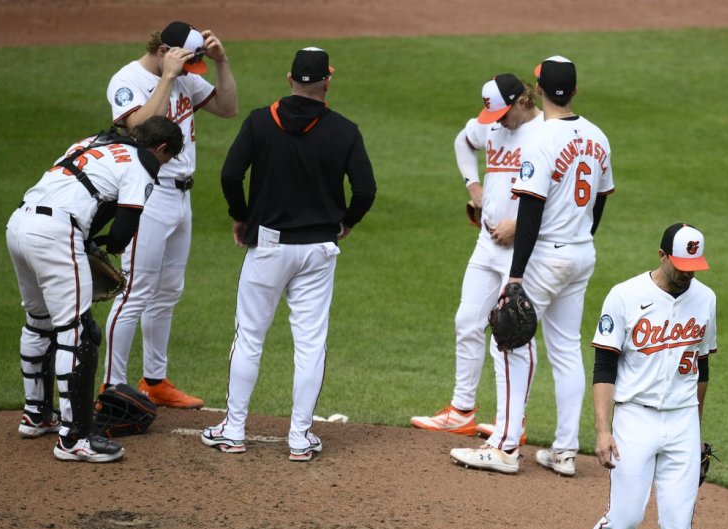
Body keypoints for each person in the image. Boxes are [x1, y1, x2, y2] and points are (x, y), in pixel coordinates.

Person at [203, 46, 376, 461]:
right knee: (310, 343)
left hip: (268, 246)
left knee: (249, 337)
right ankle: (300, 437)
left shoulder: (260, 121)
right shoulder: (344, 130)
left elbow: (230, 175)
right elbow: (366, 190)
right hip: (318, 249)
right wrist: (347, 221)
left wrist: (241, 217)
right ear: (327, 81)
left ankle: (234, 429)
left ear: (289, 78)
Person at [451, 56, 613, 476]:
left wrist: (516, 276)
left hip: (545, 255)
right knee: (566, 349)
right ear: (574, 90)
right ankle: (565, 451)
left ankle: (504, 447)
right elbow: (600, 202)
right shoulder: (598, 137)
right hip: (581, 253)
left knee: (506, 338)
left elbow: (531, 210)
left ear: (538, 89)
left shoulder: (540, 140)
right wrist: (580, 238)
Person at [573, 223, 717, 529]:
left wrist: (696, 431)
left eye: (694, 266)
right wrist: (602, 430)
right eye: (681, 264)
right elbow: (604, 367)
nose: (687, 273)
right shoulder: (624, 296)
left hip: (682, 422)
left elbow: (702, 368)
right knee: (624, 520)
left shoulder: (706, 299)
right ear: (662, 255)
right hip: (634, 418)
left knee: (678, 525)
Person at [6, 117, 185, 462]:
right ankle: (75, 439)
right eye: (167, 159)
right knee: (79, 333)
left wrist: (87, 241)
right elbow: (122, 233)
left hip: (18, 224)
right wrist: (101, 246)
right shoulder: (141, 164)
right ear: (162, 149)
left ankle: (36, 414)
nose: (163, 165)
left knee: (39, 322)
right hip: (55, 233)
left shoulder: (95, 142)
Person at [102, 20, 238, 408]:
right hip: (147, 194)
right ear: (164, 52)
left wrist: (222, 62)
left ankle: (155, 381)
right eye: (185, 63)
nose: (190, 72)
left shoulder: (184, 78)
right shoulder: (127, 80)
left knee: (168, 292)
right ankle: (110, 387)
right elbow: (141, 127)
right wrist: (168, 78)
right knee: (134, 291)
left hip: (181, 197)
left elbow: (228, 108)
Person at [410, 73, 541, 443]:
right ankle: (461, 411)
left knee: (513, 331)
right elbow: (463, 141)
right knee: (467, 322)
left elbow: (560, 194)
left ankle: (512, 421)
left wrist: (519, 224)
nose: (498, 122)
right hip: (486, 244)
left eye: (503, 114)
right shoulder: (493, 126)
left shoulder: (545, 133)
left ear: (522, 101)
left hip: (523, 251)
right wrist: (473, 184)